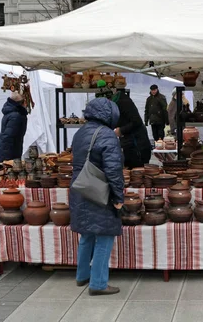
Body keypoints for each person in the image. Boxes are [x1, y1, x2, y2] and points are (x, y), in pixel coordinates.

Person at [70, 98, 124, 296]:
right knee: (104, 236)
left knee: (87, 234)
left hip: (80, 187)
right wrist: (118, 198)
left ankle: (82, 275)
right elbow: (113, 170)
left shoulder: (80, 132)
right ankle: (98, 284)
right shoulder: (107, 135)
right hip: (99, 191)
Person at [112, 90, 152, 168]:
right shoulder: (117, 103)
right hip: (129, 144)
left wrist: (121, 130)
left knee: (137, 173)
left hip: (137, 146)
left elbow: (137, 121)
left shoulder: (123, 102)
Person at [0, 92, 28, 165]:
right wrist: (10, 160)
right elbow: (8, 137)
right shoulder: (16, 116)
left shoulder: (13, 112)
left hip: (5, 150)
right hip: (6, 153)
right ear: (21, 102)